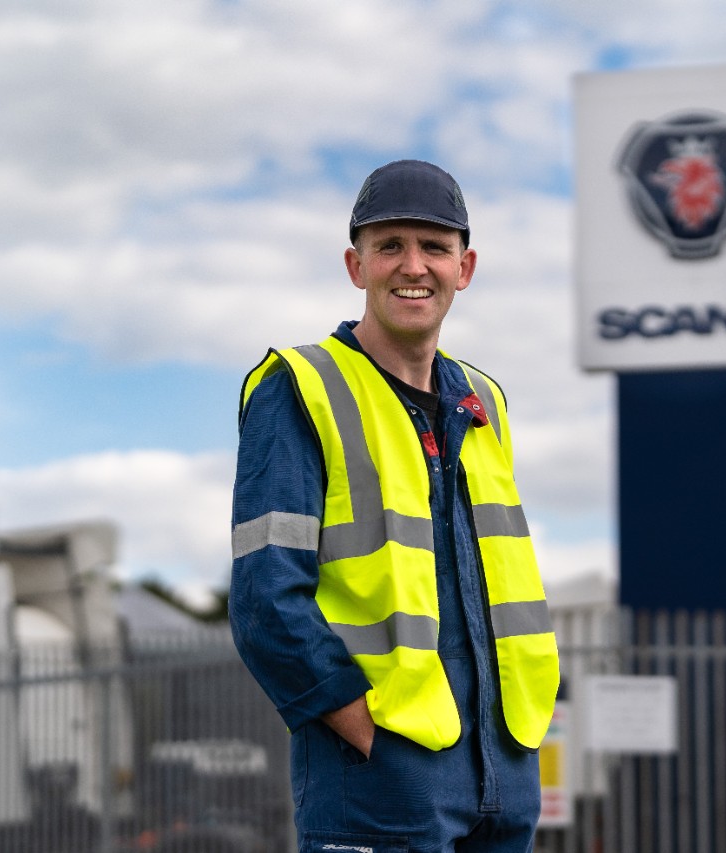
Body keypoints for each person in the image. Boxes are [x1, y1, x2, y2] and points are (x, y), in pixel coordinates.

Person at [229, 159, 560, 853]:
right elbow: (266, 597)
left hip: (506, 769)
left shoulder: (484, 400)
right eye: (390, 246)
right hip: (383, 772)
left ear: (465, 268)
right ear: (357, 266)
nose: (414, 266)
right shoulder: (302, 386)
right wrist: (359, 726)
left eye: (435, 246)